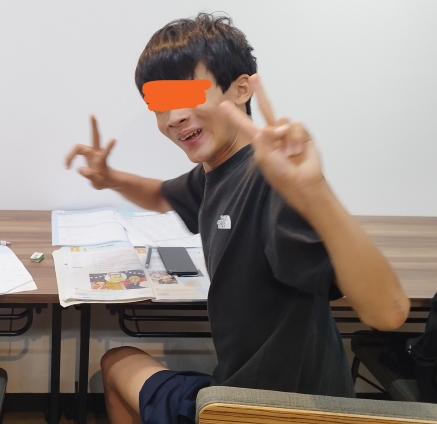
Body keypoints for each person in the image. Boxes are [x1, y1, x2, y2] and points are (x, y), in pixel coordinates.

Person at [65, 13, 410, 424]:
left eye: (187, 94)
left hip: (270, 411)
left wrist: (314, 191)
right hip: (247, 388)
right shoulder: (217, 172)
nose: (173, 117)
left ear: (241, 89)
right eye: (159, 104)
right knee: (123, 362)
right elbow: (159, 196)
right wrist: (109, 179)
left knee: (117, 361)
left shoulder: (268, 181)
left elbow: (388, 313)